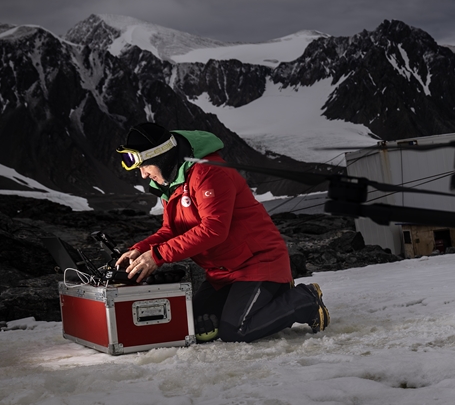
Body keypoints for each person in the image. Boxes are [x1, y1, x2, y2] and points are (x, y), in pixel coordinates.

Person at [114, 122, 329, 343]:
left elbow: (214, 229)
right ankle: (259, 303)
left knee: (237, 330)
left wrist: (157, 255)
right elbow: (171, 230)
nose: (143, 175)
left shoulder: (209, 171)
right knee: (188, 324)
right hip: (222, 275)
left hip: (258, 264)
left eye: (144, 167)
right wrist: (140, 250)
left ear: (160, 157)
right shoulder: (171, 183)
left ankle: (304, 300)